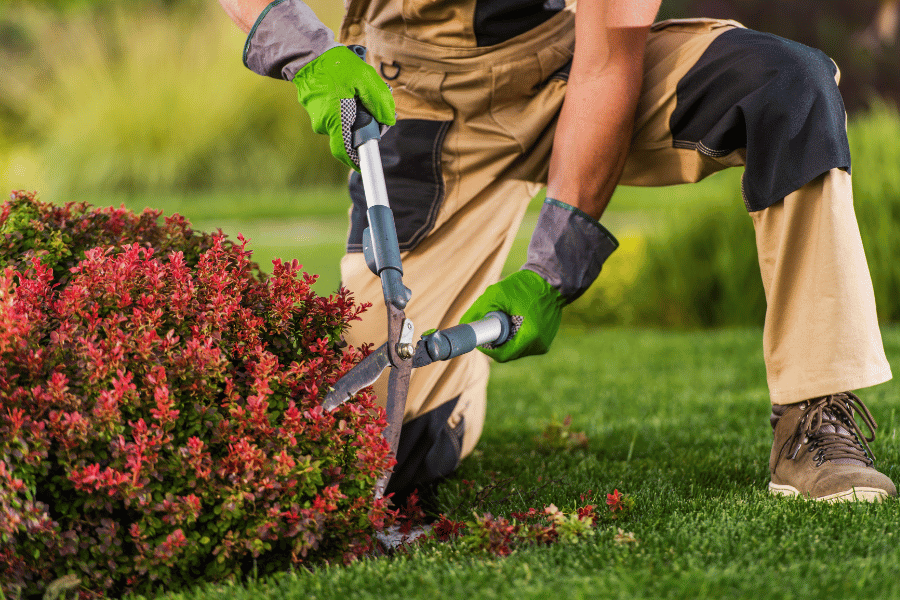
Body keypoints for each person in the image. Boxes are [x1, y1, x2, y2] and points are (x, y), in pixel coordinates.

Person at [218, 0, 896, 503]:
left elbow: (608, 62)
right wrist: (309, 52)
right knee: (385, 446)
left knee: (788, 86)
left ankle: (814, 417)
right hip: (422, 102)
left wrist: (552, 268)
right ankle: (453, 390)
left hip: (567, 68)